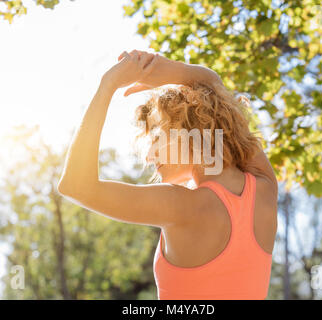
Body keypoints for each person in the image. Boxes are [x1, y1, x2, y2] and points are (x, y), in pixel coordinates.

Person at [58, 49, 278, 300]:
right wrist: (181, 72)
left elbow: (75, 186)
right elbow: (218, 93)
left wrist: (107, 85)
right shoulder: (265, 189)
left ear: (190, 127)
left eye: (156, 137)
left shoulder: (182, 206)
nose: (150, 156)